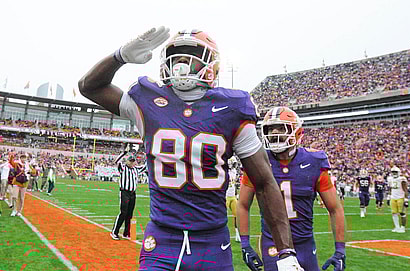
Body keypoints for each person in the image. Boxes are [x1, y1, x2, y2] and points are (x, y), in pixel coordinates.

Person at [79, 27, 300, 270]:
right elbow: (89, 87)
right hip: (161, 240)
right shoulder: (147, 99)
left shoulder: (233, 107)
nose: (181, 60)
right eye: (177, 53)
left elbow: (264, 182)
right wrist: (120, 56)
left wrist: (286, 253)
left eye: (190, 54)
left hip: (212, 243)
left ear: (212, 64)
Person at [237, 107, 346, 271]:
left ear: (297, 132)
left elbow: (335, 208)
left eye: (281, 128)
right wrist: (245, 244)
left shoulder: (314, 161)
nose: (274, 133)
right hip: (272, 243)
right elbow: (243, 204)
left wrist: (340, 250)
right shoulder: (258, 161)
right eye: (270, 129)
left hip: (305, 242)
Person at [111, 146, 146, 240]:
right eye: (130, 161)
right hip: (124, 192)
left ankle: (126, 232)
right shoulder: (123, 168)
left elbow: (146, 166)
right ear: (127, 161)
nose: (132, 162)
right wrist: (124, 153)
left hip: (133, 193)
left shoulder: (136, 169)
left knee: (130, 214)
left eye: (133, 161)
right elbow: (116, 162)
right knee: (123, 212)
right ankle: (115, 232)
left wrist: (148, 155)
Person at [386, 166, 408, 233]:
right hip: (393, 197)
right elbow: (390, 188)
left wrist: (406, 199)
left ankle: (402, 227)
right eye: (393, 172)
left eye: (395, 172)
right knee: (394, 213)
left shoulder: (402, 179)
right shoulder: (390, 179)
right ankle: (397, 227)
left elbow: (405, 189)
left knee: (402, 212)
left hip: (401, 197)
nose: (394, 173)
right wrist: (388, 197)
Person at [226, 156, 241, 243]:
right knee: (223, 216)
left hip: (233, 196)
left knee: (237, 215)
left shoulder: (234, 171)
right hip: (226, 196)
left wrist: (236, 194)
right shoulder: (225, 171)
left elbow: (234, 184)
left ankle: (237, 234)